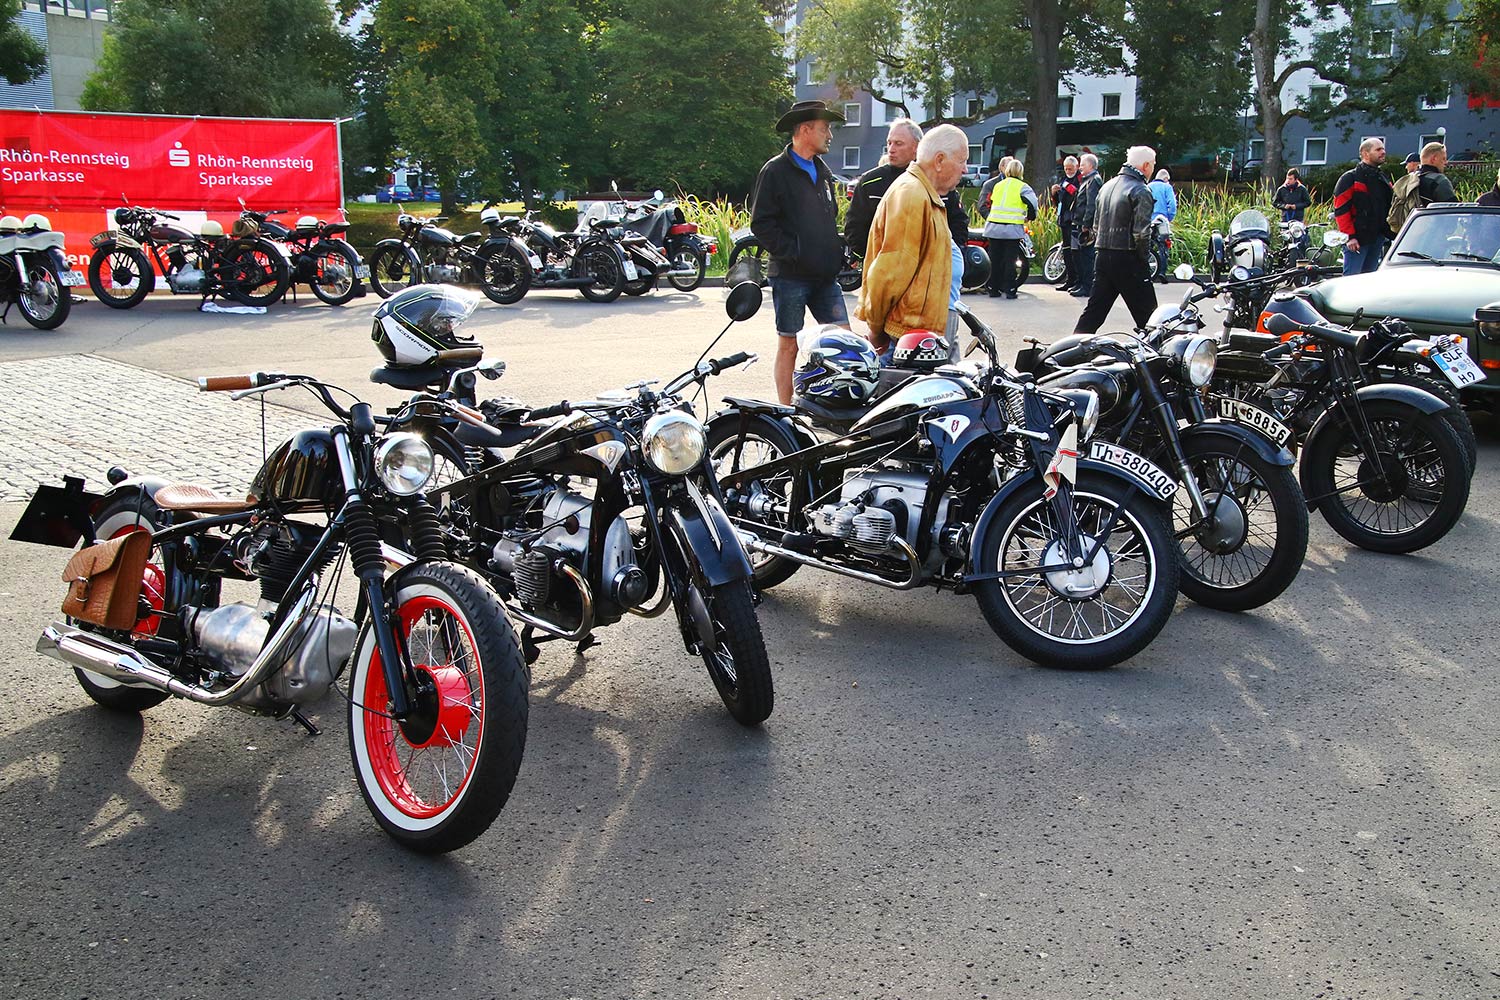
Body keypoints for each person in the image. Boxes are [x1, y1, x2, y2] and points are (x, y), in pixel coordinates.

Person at [750, 99, 850, 404]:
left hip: (825, 277)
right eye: (824, 128)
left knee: (843, 340)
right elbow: (761, 224)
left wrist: (836, 252)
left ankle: (837, 405)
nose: (829, 135)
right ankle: (785, 412)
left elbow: (828, 219)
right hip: (790, 277)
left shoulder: (823, 172)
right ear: (805, 130)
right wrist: (794, 252)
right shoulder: (775, 171)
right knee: (789, 345)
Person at [855, 124, 967, 358]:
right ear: (939, 160)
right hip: (912, 338)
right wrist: (876, 329)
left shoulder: (924, 192)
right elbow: (889, 273)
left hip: (924, 332)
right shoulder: (912, 194)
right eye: (962, 161)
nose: (965, 169)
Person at [1073, 146, 1158, 335]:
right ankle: (1157, 351)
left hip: (1103, 253)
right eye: (1153, 164)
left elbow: (1096, 225)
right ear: (1146, 165)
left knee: (1094, 312)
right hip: (1128, 256)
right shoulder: (1141, 190)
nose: (1152, 169)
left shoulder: (1107, 186)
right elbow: (1141, 233)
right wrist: (1143, 259)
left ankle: (1071, 347)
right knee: (1150, 317)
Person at [844, 118, 923, 256]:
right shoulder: (869, 182)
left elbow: (955, 224)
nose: (891, 149)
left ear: (916, 147)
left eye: (898, 144)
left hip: (925, 264)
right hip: (879, 263)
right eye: (889, 143)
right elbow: (854, 226)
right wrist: (868, 259)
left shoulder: (933, 181)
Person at [1332, 136, 1394, 275]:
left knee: (1369, 280)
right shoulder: (1349, 178)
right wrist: (1350, 236)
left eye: (1383, 149)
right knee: (1351, 280)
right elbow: (1341, 210)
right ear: (1365, 153)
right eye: (1378, 149)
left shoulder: (1382, 177)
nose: (1383, 152)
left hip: (1377, 237)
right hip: (1357, 239)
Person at [982, 158, 1038, 299]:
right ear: (1020, 171)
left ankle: (993, 288)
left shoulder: (998, 185)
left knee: (994, 259)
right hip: (1011, 228)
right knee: (1010, 260)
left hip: (994, 227)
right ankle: (1010, 289)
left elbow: (990, 202)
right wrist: (1030, 216)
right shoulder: (1023, 187)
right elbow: (1033, 204)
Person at [1070, 153, 1103, 297]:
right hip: (1081, 222)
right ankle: (1082, 284)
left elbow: (1091, 204)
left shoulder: (1093, 180)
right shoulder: (1088, 180)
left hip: (1086, 226)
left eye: (1082, 164)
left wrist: (1086, 224)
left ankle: (1087, 287)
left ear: (1090, 165)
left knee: (1087, 257)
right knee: (1082, 256)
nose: (1080, 167)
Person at [1052, 156, 1081, 290]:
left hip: (1073, 219)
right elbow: (1059, 201)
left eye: (1070, 169)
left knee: (1075, 252)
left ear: (1076, 167)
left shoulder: (1080, 179)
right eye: (1066, 169)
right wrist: (1054, 193)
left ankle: (1077, 280)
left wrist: (1067, 187)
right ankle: (1070, 279)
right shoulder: (1063, 179)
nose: (1068, 171)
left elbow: (1078, 195)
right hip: (1063, 218)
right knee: (1067, 251)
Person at [1147, 168, 1176, 281]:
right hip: (1162, 221)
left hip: (1149, 220)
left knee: (1148, 246)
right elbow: (1172, 205)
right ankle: (1162, 273)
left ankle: (1148, 270)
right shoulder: (1167, 187)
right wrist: (1170, 217)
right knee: (1163, 246)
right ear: (1165, 179)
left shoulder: (1148, 186)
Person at [1415, 141, 1458, 206]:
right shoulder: (1439, 180)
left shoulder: (1411, 179)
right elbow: (1453, 209)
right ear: (1434, 159)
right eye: (1443, 159)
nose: (1446, 162)